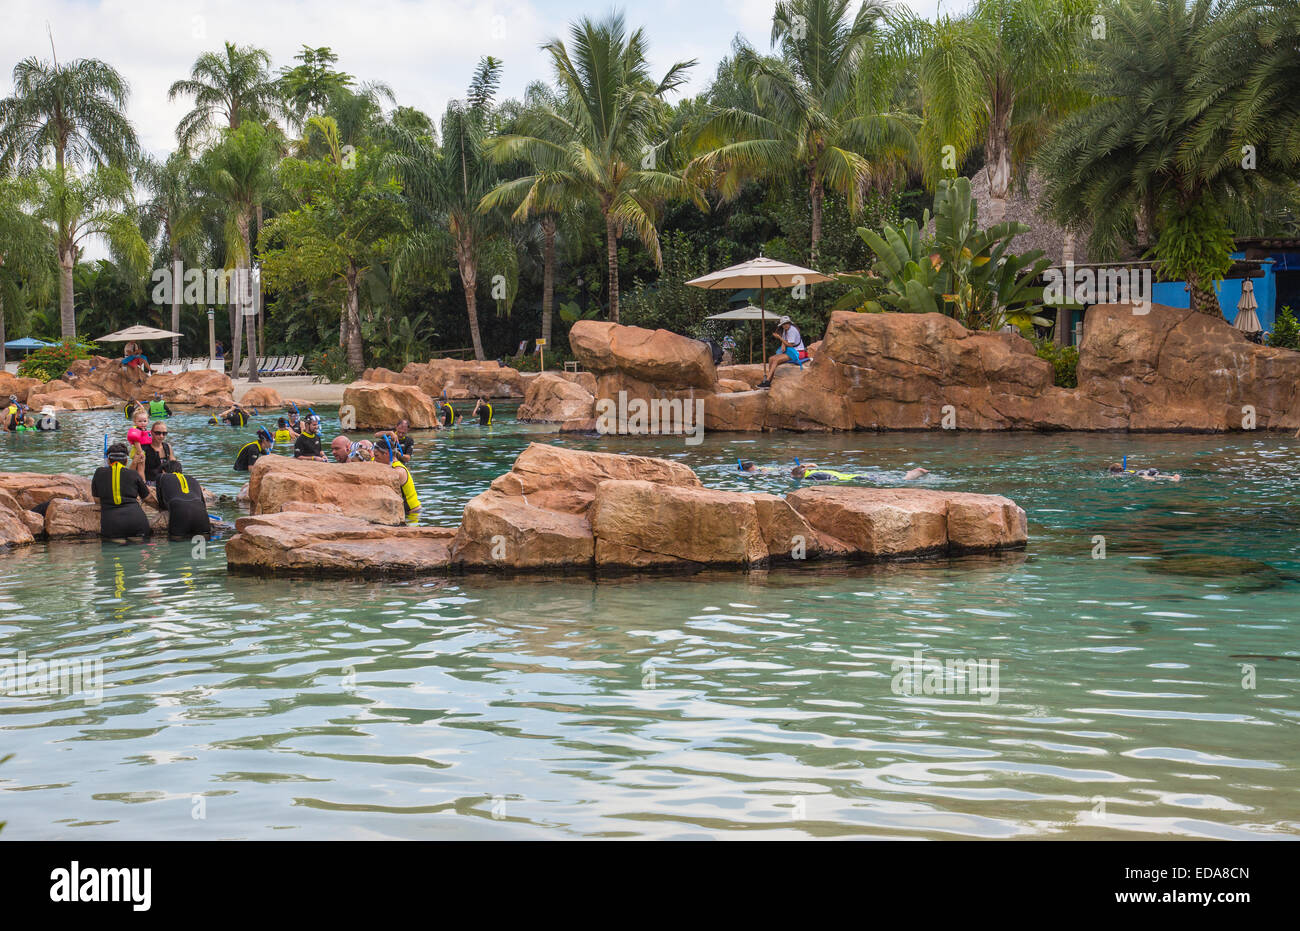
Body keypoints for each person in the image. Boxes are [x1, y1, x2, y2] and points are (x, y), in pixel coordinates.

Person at [90, 442, 152, 541]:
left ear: (108, 460)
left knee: (116, 552)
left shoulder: (99, 473)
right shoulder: (133, 474)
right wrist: (161, 508)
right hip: (136, 521)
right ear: (126, 460)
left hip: (112, 524)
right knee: (138, 552)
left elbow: (97, 500)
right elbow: (148, 498)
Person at [154, 459, 212, 540]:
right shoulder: (192, 478)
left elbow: (161, 503)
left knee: (177, 546)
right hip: (200, 511)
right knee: (201, 548)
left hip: (179, 509)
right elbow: (203, 502)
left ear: (163, 471)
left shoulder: (161, 476)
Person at [756, 316, 808, 388]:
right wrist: (783, 344)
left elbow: (790, 344)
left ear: (790, 323)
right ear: (781, 325)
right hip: (791, 351)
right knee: (771, 358)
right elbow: (784, 342)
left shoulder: (792, 330)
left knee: (776, 360)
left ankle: (767, 381)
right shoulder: (785, 330)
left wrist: (779, 338)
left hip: (798, 352)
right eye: (784, 324)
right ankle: (769, 380)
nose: (786, 325)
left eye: (787, 323)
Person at [375, 432, 420, 514]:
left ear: (386, 454)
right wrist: (389, 433)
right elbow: (376, 435)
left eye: (376, 456)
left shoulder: (398, 471)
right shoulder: (386, 463)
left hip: (412, 514)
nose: (375, 459)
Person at [792, 462, 929, 483]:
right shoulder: (813, 471)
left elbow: (831, 478)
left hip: (855, 478)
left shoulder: (813, 477)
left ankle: (911, 475)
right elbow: (813, 466)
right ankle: (911, 474)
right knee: (889, 480)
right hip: (856, 475)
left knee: (898, 482)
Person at [1107, 462, 1181, 482]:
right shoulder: (1127, 470)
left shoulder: (1118, 473)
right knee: (1156, 475)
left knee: (1144, 476)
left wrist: (1108, 477)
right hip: (1147, 471)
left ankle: (1149, 479)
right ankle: (1172, 477)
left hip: (1141, 473)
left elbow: (1116, 476)